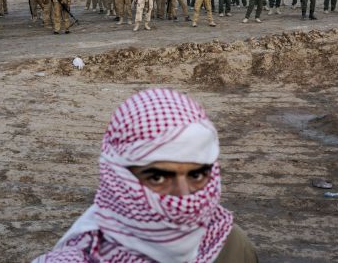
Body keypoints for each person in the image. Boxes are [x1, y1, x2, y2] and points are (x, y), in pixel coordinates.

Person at [31, 88, 258, 263]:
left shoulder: (231, 245)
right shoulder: (82, 255)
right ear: (117, 178)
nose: (183, 197)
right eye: (158, 178)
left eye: (196, 175)